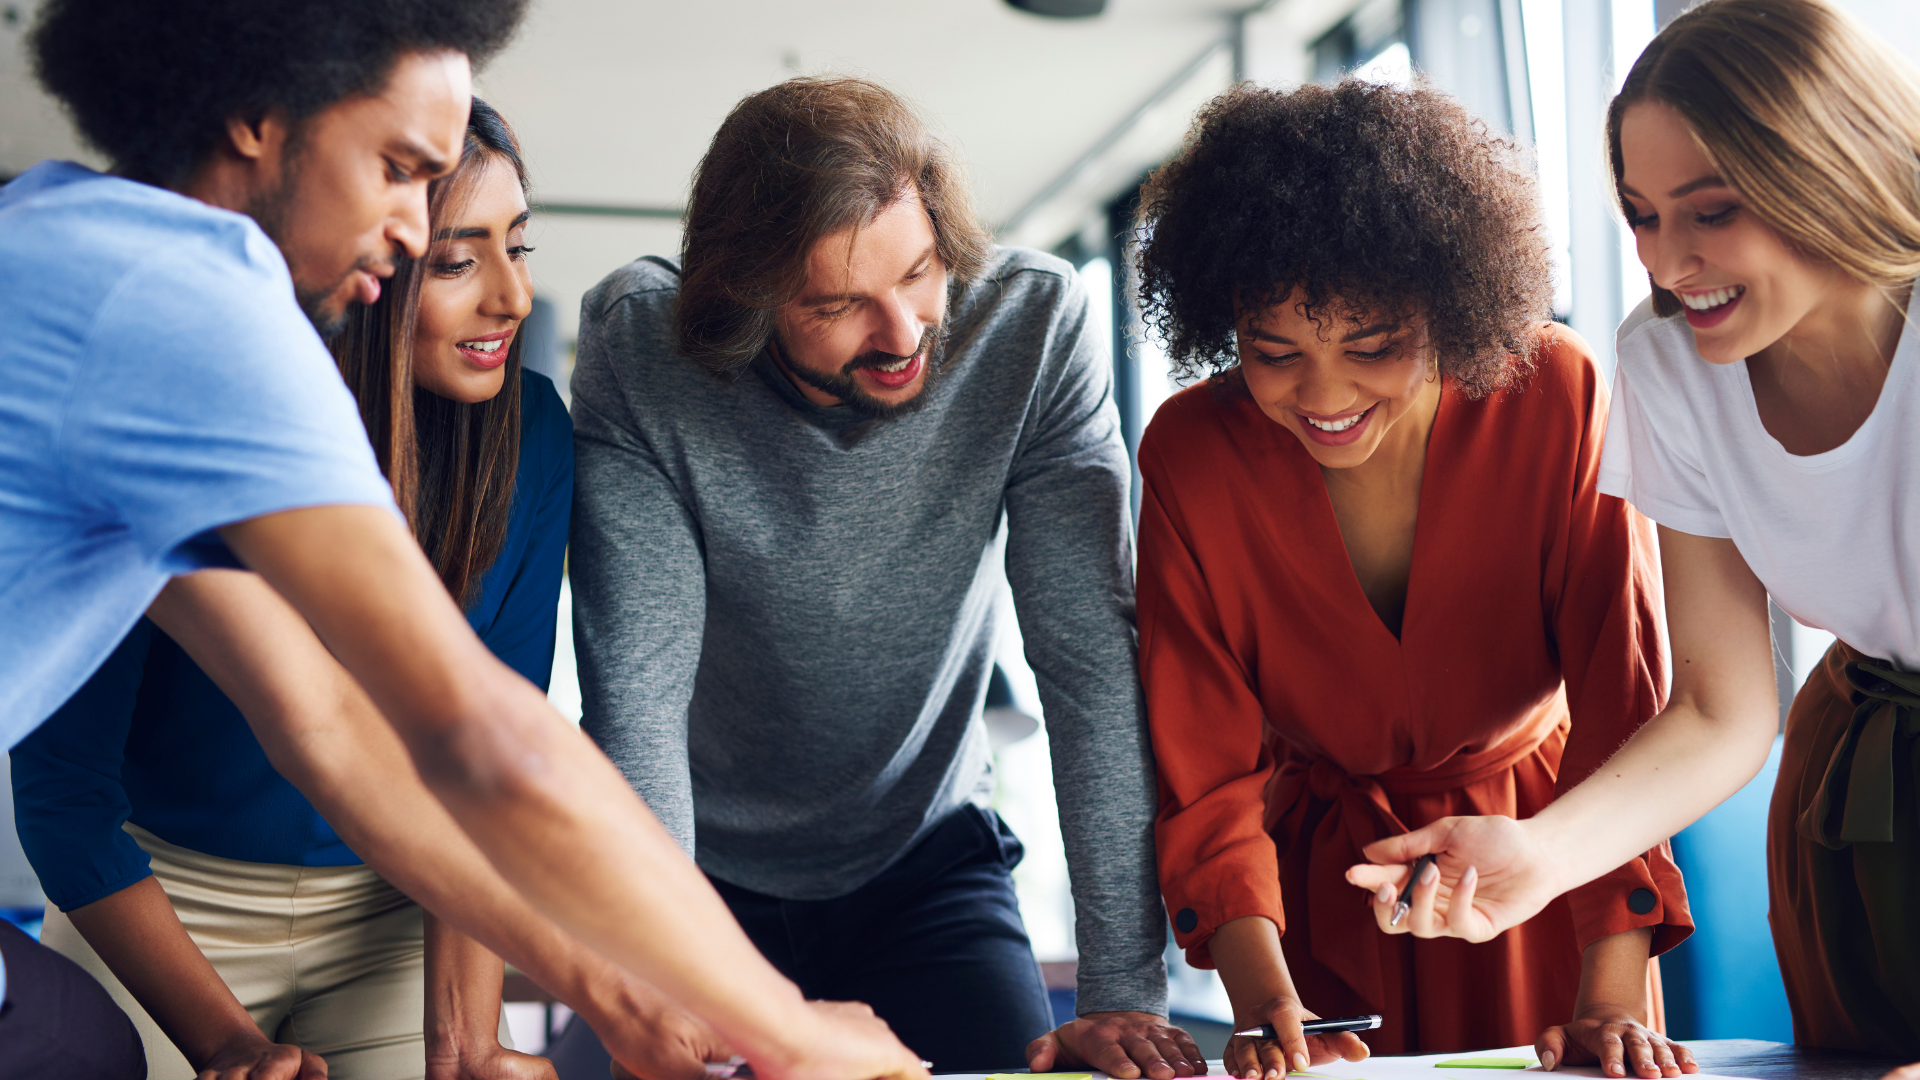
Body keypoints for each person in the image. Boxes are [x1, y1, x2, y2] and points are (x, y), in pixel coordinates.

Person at [1, 4, 924, 1079]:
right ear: (255, 118)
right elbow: (478, 735)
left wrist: (610, 995)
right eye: (398, 168)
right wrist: (787, 1028)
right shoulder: (184, 304)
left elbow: (327, 724)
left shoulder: (75, 245)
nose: (405, 226)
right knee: (82, 1050)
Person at [569, 75, 1196, 1076]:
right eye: (838, 305)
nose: (903, 332)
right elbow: (636, 689)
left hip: (927, 868)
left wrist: (1126, 992)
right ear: (748, 299)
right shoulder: (642, 351)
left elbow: (1087, 668)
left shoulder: (1030, 332)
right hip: (699, 881)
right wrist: (662, 966)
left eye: (919, 272)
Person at [1343, 0, 1920, 1069]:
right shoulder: (1667, 364)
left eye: (1712, 211)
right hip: (1861, 806)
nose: (1670, 263)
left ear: (1834, 170)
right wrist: (1536, 855)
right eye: (1644, 217)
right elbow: (1719, 706)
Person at [1130, 80, 1694, 1078]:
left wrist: (1608, 999)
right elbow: (1206, 771)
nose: (1326, 393)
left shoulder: (1554, 395)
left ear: (1447, 301)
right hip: (1312, 902)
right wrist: (1269, 1007)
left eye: (1373, 345)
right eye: (1275, 353)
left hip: (1546, 867)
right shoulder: (1191, 453)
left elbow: (1626, 710)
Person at [12, 98, 563, 1080]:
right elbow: (67, 798)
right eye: (454, 259)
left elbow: (469, 759)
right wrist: (225, 1042)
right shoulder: (162, 396)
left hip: (399, 902)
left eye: (519, 246)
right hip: (164, 903)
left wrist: (468, 1045)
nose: (514, 298)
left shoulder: (532, 436)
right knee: (85, 1053)